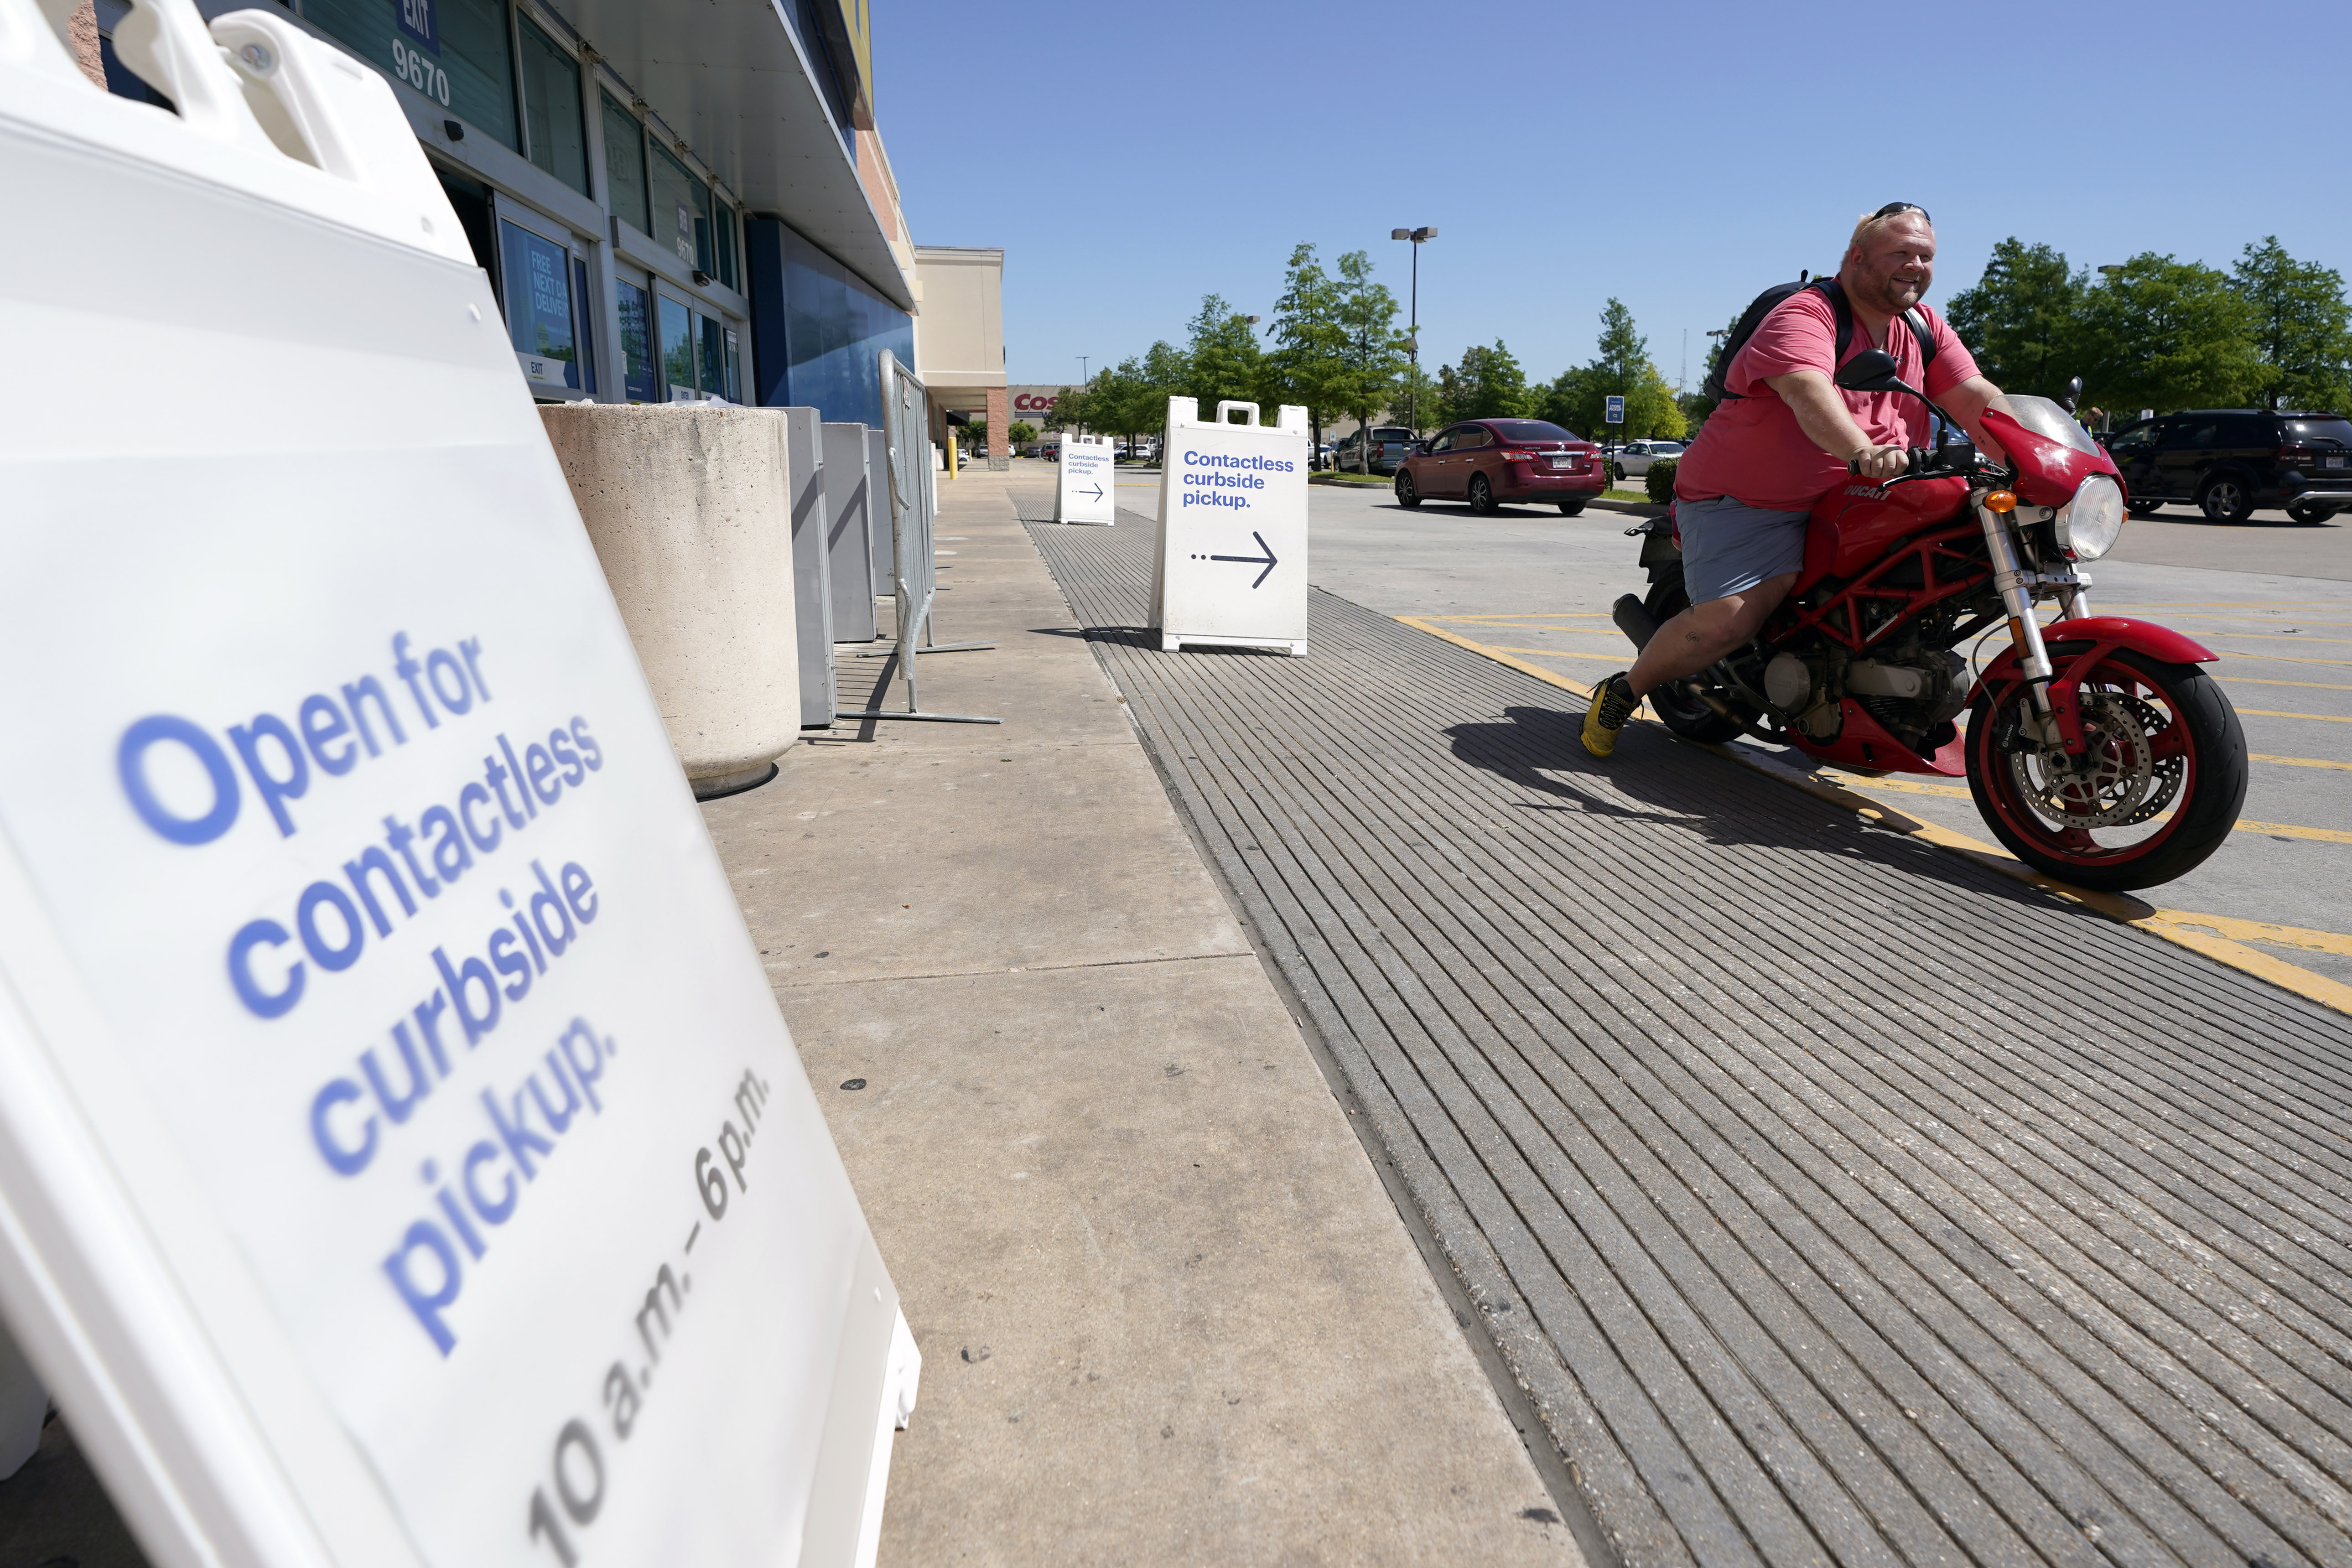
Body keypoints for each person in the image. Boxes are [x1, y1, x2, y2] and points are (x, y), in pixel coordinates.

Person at [1581, 204, 2012, 758]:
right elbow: (1810, 392)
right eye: (1900, 253)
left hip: (1857, 497)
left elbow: (1977, 399)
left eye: (1925, 256)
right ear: (1857, 258)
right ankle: (1624, 690)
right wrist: (1861, 450)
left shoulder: (1925, 328)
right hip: (1750, 500)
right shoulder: (1807, 315)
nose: (1915, 265)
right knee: (1731, 620)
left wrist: (2044, 451)